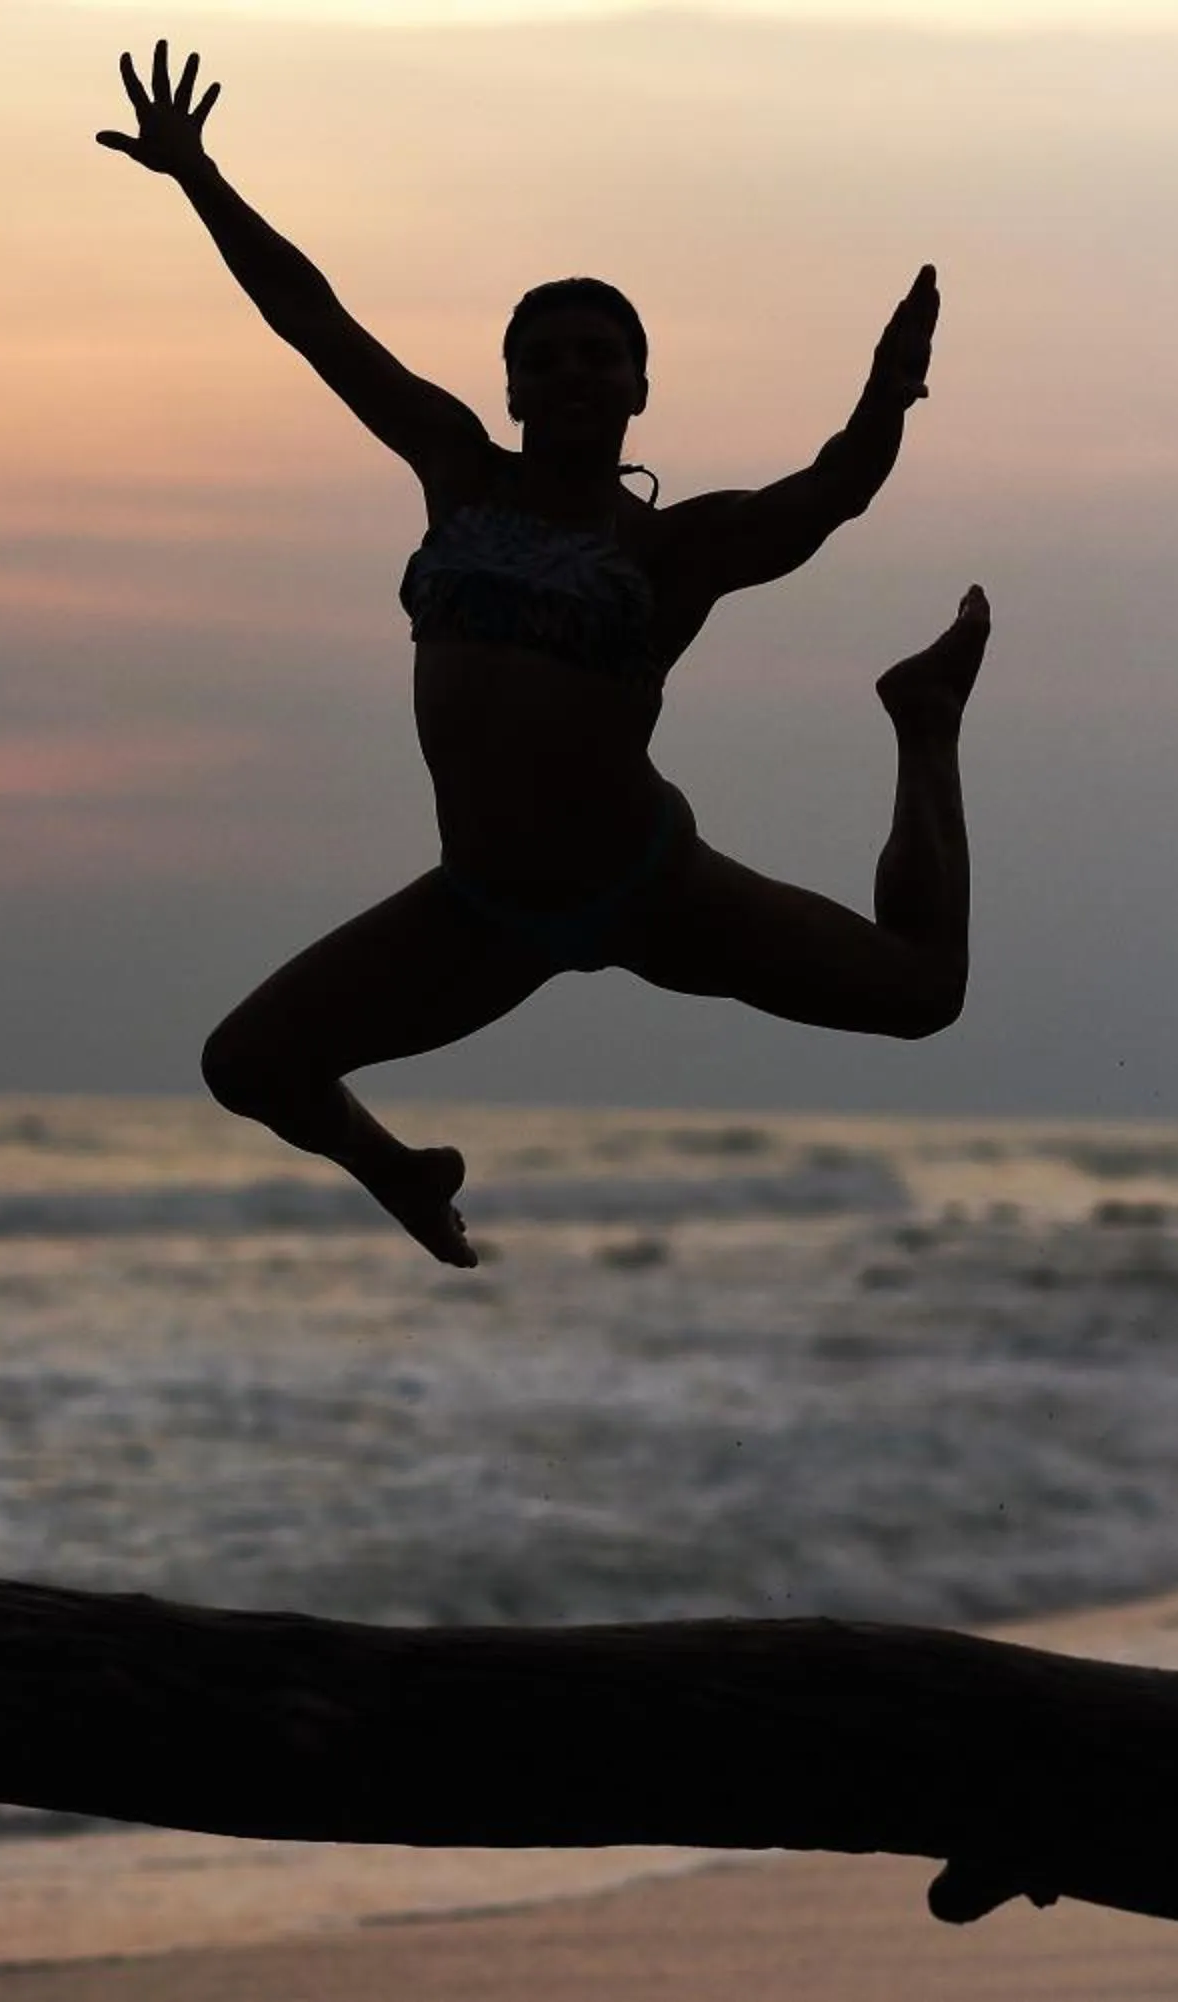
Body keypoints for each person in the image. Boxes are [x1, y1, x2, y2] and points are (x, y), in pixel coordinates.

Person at [98, 42, 992, 1267]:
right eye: (546, 358)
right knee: (246, 1062)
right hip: (482, 907)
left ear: (639, 387)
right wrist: (198, 176)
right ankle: (400, 1172)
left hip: (651, 884)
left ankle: (923, 720)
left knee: (922, 993)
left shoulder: (674, 550)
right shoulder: (456, 471)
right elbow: (314, 319)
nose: (573, 373)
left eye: (599, 356)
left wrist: (889, 394)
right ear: (512, 389)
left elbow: (834, 492)